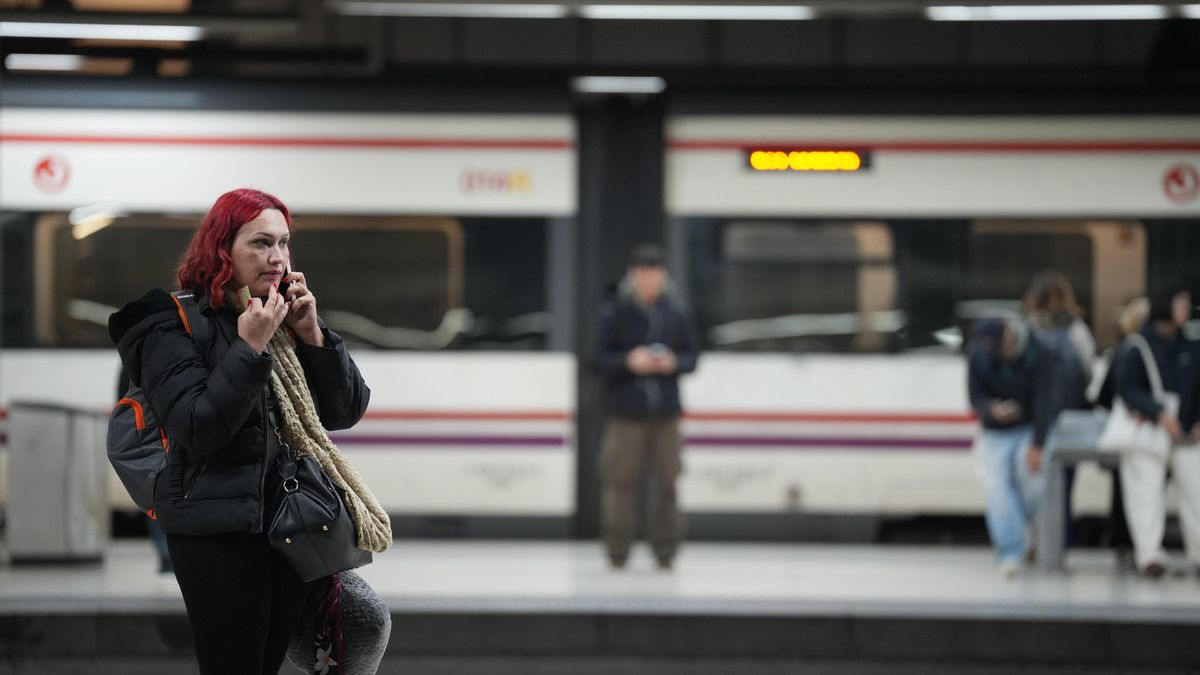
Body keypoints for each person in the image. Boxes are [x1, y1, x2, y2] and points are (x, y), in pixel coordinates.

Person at [108, 188, 390, 674]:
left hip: (286, 527)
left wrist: (313, 335)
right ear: (222, 249)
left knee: (268, 664)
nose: (277, 257)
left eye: (283, 243)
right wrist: (249, 348)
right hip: (214, 531)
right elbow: (199, 428)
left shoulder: (279, 314)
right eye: (261, 243)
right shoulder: (170, 325)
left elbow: (344, 410)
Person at [592, 243, 700, 571]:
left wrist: (672, 362)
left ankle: (665, 552)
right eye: (641, 273)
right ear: (632, 275)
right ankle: (617, 552)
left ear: (663, 276)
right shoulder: (614, 312)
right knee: (620, 483)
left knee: (667, 483)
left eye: (653, 273)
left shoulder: (676, 313)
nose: (648, 279)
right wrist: (629, 361)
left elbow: (693, 358)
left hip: (665, 412)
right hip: (626, 412)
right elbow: (596, 360)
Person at [1114, 286, 1200, 578]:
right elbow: (1126, 388)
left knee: (1196, 491)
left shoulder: (1191, 345)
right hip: (1150, 430)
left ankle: (1198, 554)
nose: (1187, 310)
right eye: (1181, 304)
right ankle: (1149, 554)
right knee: (1145, 489)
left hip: (1189, 431)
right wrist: (1159, 413)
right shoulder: (1138, 346)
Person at [967, 318, 1057, 577]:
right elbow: (975, 397)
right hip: (995, 431)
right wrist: (990, 409)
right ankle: (1011, 550)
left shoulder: (1039, 352)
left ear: (1009, 335)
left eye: (1000, 348)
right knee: (996, 488)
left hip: (1030, 427)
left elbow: (1045, 400)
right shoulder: (979, 355)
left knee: (1032, 482)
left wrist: (1038, 445)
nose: (997, 356)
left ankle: (1029, 530)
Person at [1024, 271, 1097, 549]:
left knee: (1033, 480)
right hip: (1070, 417)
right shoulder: (1077, 330)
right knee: (1065, 483)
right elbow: (1088, 371)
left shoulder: (1029, 330)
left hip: (1035, 418)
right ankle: (1062, 539)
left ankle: (1036, 541)